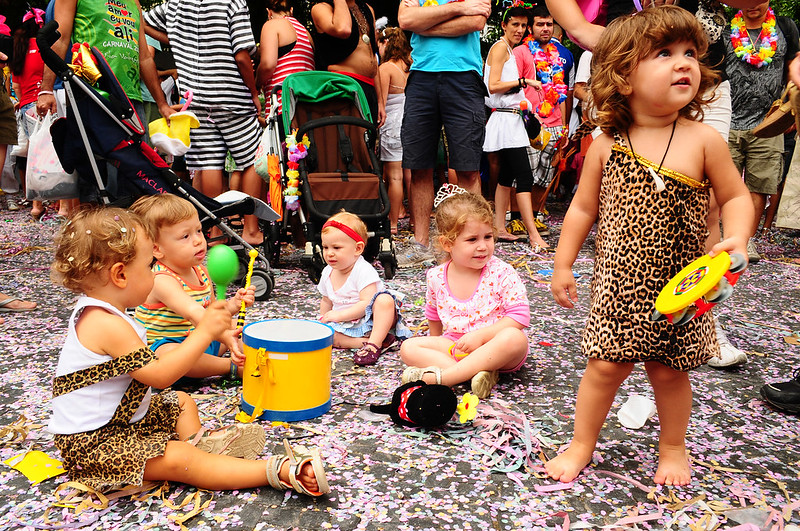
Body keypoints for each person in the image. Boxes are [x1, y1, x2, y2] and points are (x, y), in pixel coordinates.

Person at [547, 7, 753, 486]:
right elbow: (581, 209)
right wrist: (562, 264)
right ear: (622, 75)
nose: (684, 63)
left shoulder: (704, 140)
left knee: (667, 372)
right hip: (618, 284)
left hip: (683, 284)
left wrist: (738, 235)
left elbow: (736, 196)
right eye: (664, 54)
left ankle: (673, 446)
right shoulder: (605, 143)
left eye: (689, 53)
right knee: (603, 368)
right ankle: (581, 444)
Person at [48, 207, 329, 496]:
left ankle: (201, 446)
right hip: (95, 447)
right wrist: (205, 331)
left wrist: (219, 320)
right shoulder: (103, 323)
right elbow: (158, 376)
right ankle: (276, 471)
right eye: (147, 266)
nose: (153, 273)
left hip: (122, 423)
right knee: (181, 460)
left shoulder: (106, 313)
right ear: (120, 275)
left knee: (181, 401)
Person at [144, 0, 265, 246]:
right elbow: (242, 55)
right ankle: (251, 229)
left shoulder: (175, 5)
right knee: (252, 158)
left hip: (195, 97)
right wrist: (253, 92)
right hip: (231, 95)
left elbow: (141, 20)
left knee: (209, 164)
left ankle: (216, 232)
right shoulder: (232, 3)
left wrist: (174, 40)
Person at [399, 187, 530, 399]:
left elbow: (520, 317)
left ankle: (446, 378)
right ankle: (477, 374)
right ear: (447, 244)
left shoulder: (501, 271)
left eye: (488, 237)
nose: (483, 246)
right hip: (456, 345)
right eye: (472, 240)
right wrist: (435, 345)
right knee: (408, 347)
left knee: (515, 338)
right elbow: (433, 315)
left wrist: (480, 336)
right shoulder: (436, 276)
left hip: (495, 346)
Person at [396, 0, 491, 268]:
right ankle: (421, 245)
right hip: (421, 78)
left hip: (464, 77)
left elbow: (475, 22)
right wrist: (459, 8)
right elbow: (405, 21)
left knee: (468, 169)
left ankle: (473, 243)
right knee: (418, 166)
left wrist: (425, 22)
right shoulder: (464, 5)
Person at [130, 194, 254, 379]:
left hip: (201, 339)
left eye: (198, 231)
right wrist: (224, 336)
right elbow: (194, 313)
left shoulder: (200, 271)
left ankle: (250, 358)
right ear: (157, 249)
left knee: (242, 328)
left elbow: (211, 312)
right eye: (185, 236)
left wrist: (233, 306)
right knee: (166, 354)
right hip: (172, 349)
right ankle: (229, 367)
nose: (198, 240)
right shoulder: (161, 279)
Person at [723, 1, 799, 264]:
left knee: (760, 186)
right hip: (728, 120)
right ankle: (723, 235)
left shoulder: (785, 28)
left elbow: (794, 67)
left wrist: (791, 108)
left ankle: (746, 240)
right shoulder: (724, 30)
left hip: (768, 124)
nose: (753, 4)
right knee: (723, 185)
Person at [483, 5, 548, 251]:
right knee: (524, 176)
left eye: (523, 26)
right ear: (504, 25)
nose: (520, 30)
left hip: (511, 118)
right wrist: (524, 81)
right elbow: (493, 85)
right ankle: (533, 235)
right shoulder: (500, 48)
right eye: (515, 25)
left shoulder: (506, 48)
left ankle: (500, 227)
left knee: (507, 176)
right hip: (506, 120)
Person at [318, 211, 412, 365]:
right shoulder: (328, 272)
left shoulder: (362, 270)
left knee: (384, 300)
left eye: (336, 247)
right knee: (328, 337)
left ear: (357, 248)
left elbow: (366, 304)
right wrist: (323, 321)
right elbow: (326, 300)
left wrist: (339, 316)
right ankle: (367, 342)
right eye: (325, 247)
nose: (329, 253)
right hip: (347, 324)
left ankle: (374, 343)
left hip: (371, 319)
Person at [514, 5, 569, 237]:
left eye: (549, 24)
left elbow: (562, 93)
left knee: (545, 175)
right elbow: (513, 88)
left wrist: (565, 127)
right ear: (531, 26)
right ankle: (516, 218)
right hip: (531, 123)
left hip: (556, 123)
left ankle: (535, 215)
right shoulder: (521, 52)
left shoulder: (560, 53)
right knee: (524, 173)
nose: (545, 28)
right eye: (540, 24)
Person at [311, 0, 385, 126]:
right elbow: (343, 29)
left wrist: (380, 101)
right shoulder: (321, 9)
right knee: (351, 142)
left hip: (369, 87)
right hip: (345, 87)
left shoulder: (366, 8)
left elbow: (372, 54)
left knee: (369, 143)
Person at [11, 9, 46, 221]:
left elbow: (15, 84)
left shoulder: (19, 50)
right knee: (46, 153)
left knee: (33, 154)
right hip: (42, 103)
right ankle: (43, 202)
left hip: (26, 106)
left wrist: (25, 101)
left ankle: (35, 202)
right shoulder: (44, 47)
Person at [256, 0, 315, 122]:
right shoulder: (306, 32)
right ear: (291, 10)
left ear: (269, 12)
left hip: (285, 106)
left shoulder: (272, 25)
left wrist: (256, 84)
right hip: (309, 107)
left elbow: (268, 65)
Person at [377, 27, 411, 235]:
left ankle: (392, 224)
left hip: (393, 124)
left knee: (395, 176)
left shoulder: (386, 69)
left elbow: (382, 102)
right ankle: (415, 220)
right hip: (411, 122)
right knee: (412, 175)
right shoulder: (410, 66)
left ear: (387, 44)